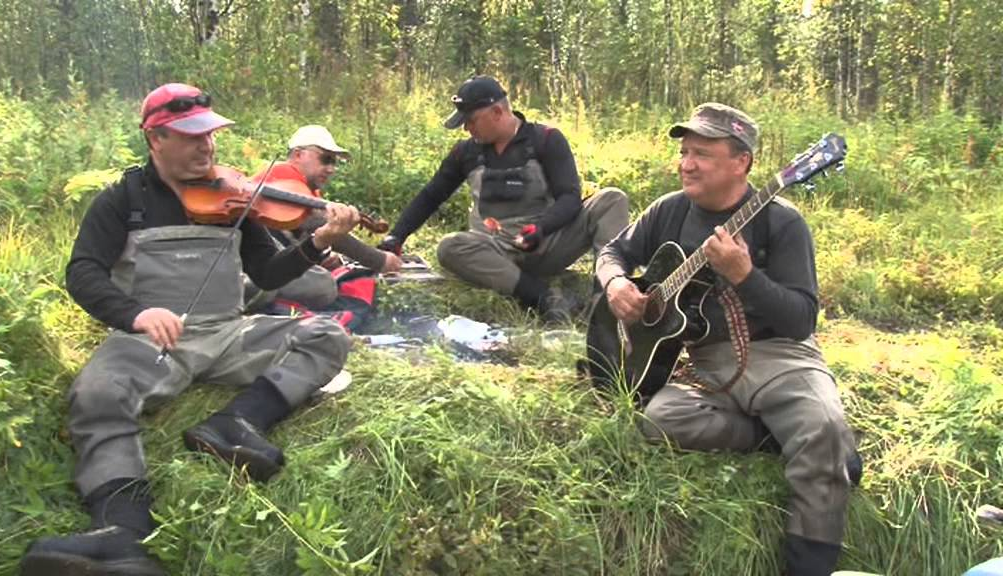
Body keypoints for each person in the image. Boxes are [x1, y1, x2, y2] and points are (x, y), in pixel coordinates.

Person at [20, 83, 358, 575]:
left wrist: (317, 243)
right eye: (193, 136)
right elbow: (84, 272)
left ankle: (236, 423)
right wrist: (135, 314)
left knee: (327, 336)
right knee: (97, 391)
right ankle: (122, 531)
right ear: (156, 139)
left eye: (212, 135)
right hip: (151, 340)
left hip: (228, 334)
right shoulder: (122, 200)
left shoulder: (235, 197)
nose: (208, 146)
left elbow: (265, 273)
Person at [596, 103, 858, 576]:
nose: (686, 163)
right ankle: (782, 436)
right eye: (684, 151)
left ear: (743, 163)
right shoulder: (669, 210)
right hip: (706, 360)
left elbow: (801, 321)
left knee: (822, 424)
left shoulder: (781, 222)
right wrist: (616, 283)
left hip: (780, 356)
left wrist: (745, 275)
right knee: (659, 419)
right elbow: (614, 250)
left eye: (702, 154)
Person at [377, 75, 629, 322]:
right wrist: (396, 236)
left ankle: (607, 299)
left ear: (497, 112)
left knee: (612, 199)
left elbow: (570, 198)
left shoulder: (546, 139)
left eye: (471, 120)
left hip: (546, 243)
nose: (467, 128)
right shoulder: (465, 152)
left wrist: (541, 229)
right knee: (449, 247)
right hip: (493, 252)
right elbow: (431, 195)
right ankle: (543, 298)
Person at [244, 124, 402, 313]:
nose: (331, 168)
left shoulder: (306, 189)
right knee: (324, 286)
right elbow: (317, 223)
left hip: (271, 258)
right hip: (254, 266)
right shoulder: (283, 177)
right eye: (325, 159)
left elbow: (300, 232)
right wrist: (379, 260)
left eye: (334, 162)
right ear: (297, 155)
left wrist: (322, 254)